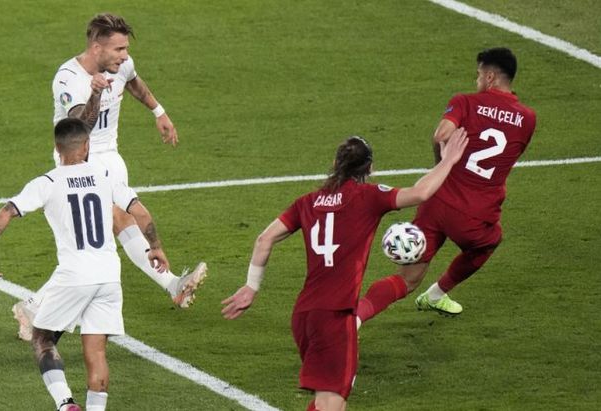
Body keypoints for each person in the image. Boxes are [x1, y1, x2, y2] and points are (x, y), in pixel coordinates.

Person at [221, 129, 468, 411]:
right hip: (335, 318)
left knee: (329, 402)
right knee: (331, 403)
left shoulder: (307, 202)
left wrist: (251, 286)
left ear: (336, 164)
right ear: (369, 168)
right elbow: (421, 193)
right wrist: (447, 161)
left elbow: (264, 239)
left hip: (304, 316)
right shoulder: (368, 197)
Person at [12, 13, 207, 341]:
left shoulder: (121, 65)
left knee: (113, 231)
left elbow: (134, 82)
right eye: (118, 49)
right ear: (96, 47)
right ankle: (172, 284)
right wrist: (95, 94)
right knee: (100, 240)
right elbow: (78, 129)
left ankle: (34, 308)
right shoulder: (68, 78)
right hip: (78, 161)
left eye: (126, 48)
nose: (125, 55)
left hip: (111, 158)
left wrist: (159, 112)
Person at [0, 118, 169, 411]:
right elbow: (140, 212)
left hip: (74, 276)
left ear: (57, 149)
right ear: (87, 146)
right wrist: (155, 247)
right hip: (109, 276)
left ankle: (65, 403)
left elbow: (7, 213)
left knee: (42, 339)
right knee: (97, 353)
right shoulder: (106, 176)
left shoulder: (47, 182)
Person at [355, 47, 537, 324]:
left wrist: (441, 166)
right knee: (489, 243)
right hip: (475, 214)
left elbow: (441, 134)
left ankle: (356, 318)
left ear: (490, 77)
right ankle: (437, 294)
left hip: (436, 201)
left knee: (408, 278)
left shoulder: (464, 102)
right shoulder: (528, 119)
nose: (477, 80)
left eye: (478, 75)